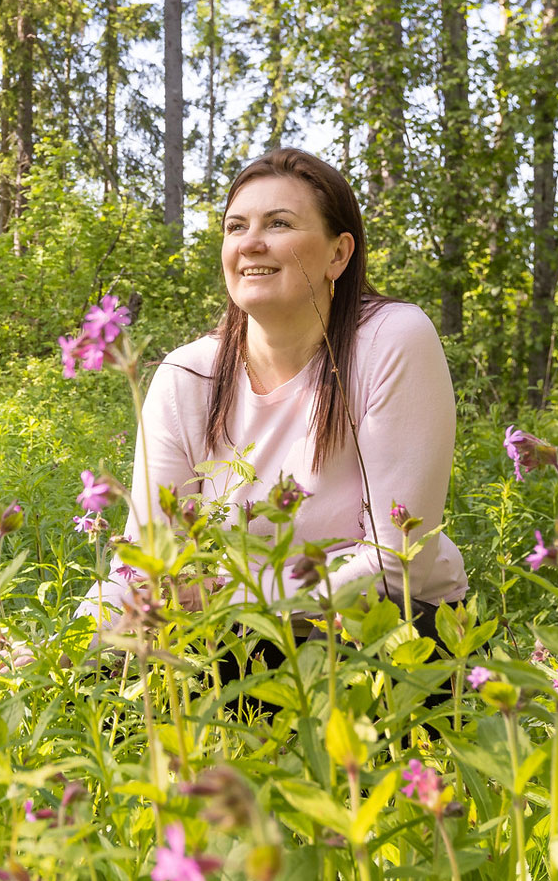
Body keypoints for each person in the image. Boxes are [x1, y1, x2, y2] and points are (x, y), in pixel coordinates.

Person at [79, 147, 468, 630]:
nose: (250, 243)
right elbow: (146, 562)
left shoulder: (391, 340)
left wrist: (226, 594)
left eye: (279, 224)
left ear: (338, 254)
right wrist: (51, 653)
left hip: (383, 628)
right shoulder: (186, 376)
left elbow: (396, 561)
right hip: (232, 634)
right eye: (236, 227)